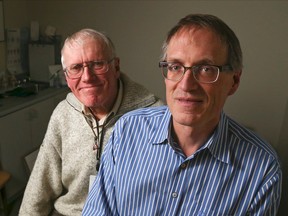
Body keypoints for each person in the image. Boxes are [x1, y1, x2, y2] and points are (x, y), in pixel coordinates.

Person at [83, 14, 282, 215]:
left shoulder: (262, 168)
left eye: (205, 69)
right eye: (176, 67)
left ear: (234, 81)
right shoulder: (127, 131)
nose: (186, 85)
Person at [19, 28, 163, 216]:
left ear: (116, 67)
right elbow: (39, 189)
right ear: (66, 76)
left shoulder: (155, 116)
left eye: (97, 64)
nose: (87, 77)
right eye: (76, 68)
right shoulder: (63, 114)